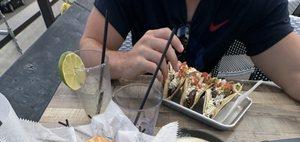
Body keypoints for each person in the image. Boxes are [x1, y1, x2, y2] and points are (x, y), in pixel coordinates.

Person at [80, 0, 300, 101]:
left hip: (202, 115)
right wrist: (125, 62)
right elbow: (89, 47)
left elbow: (295, 74)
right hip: (136, 104)